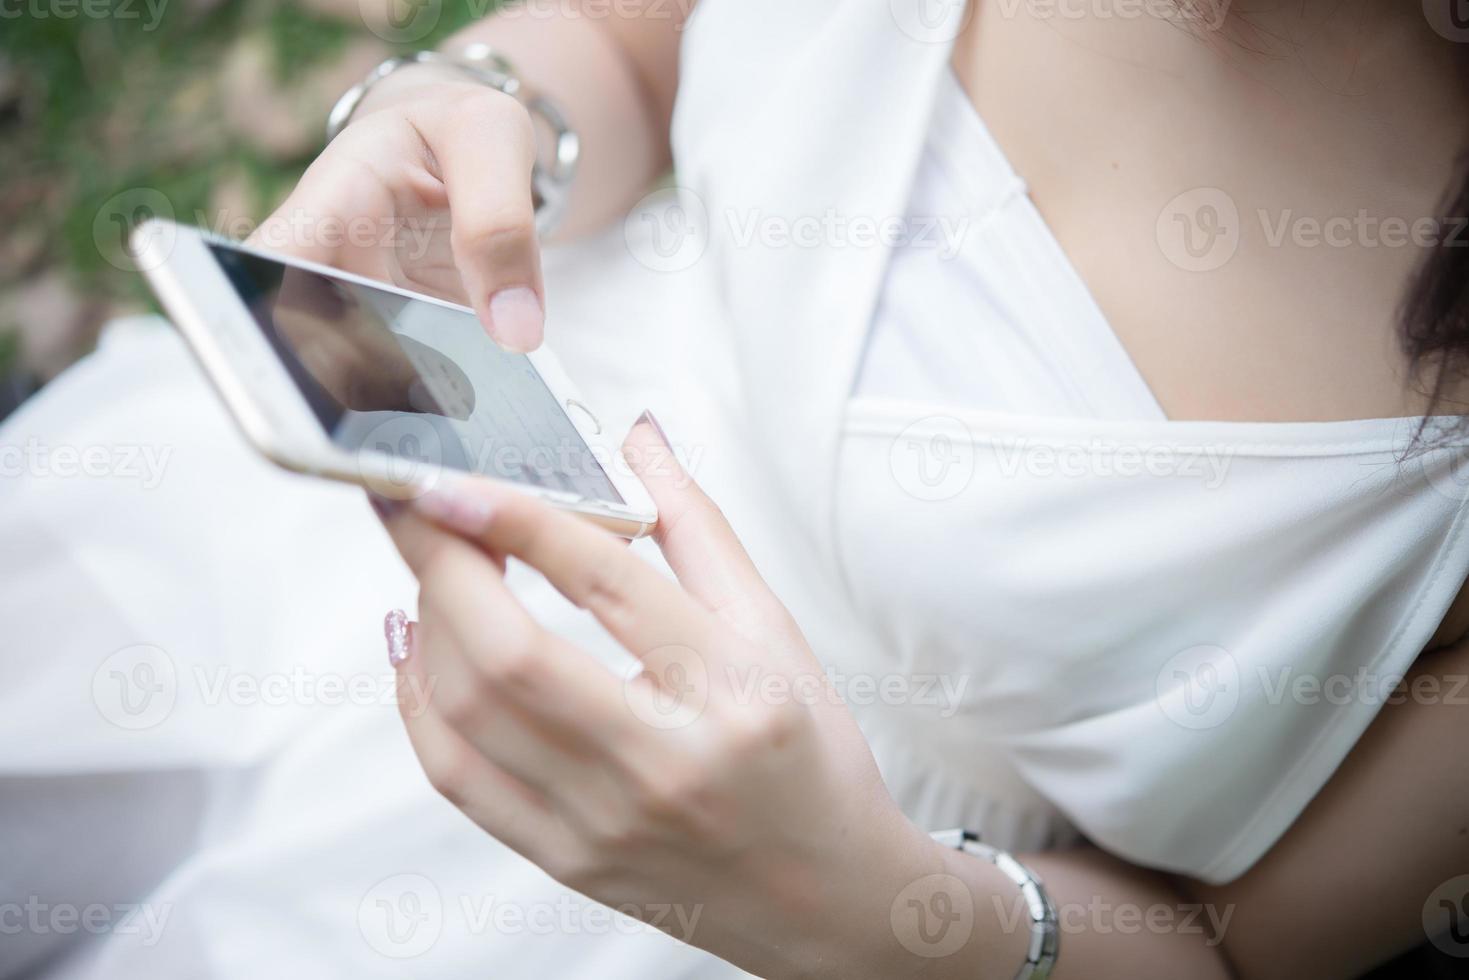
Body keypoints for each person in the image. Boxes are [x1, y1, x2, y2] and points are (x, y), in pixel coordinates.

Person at [251, 1, 1469, 977]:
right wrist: (466, 115)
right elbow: (634, 42)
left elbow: (1235, 947)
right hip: (474, 413)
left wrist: (876, 911)